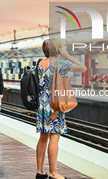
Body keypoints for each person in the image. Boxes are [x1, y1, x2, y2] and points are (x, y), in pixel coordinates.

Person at [36, 38, 87, 179]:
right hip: (55, 105)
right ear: (57, 49)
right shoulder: (61, 63)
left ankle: (40, 172)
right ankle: (53, 173)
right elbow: (83, 68)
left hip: (43, 103)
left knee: (43, 137)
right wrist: (67, 56)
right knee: (54, 136)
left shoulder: (41, 63)